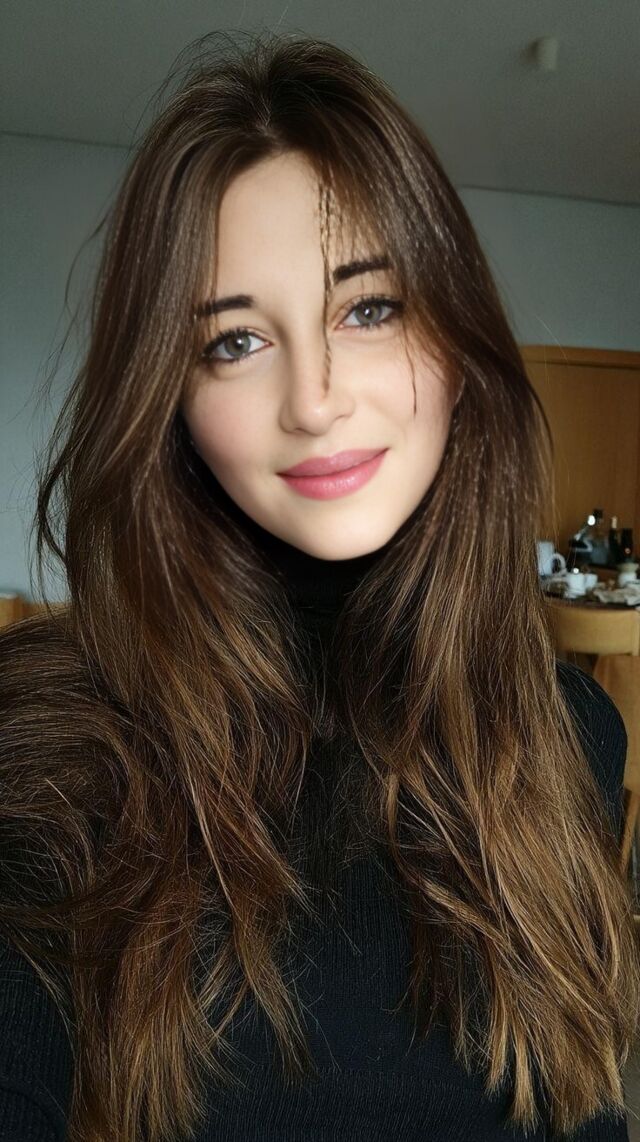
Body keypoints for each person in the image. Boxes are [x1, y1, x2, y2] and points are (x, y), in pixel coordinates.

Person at [0, 31, 638, 1142]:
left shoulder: (568, 728)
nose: (314, 399)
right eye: (236, 341)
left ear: (459, 344)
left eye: (369, 308)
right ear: (171, 402)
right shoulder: (59, 734)